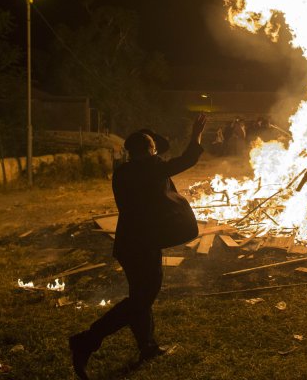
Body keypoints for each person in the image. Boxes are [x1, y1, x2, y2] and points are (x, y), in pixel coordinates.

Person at [69, 113, 207, 380]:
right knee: (142, 298)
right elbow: (188, 159)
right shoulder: (151, 170)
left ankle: (147, 347)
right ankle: (87, 340)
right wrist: (195, 135)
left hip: (131, 243)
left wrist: (151, 146)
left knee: (140, 297)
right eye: (153, 146)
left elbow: (158, 159)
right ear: (150, 150)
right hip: (142, 244)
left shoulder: (124, 172)